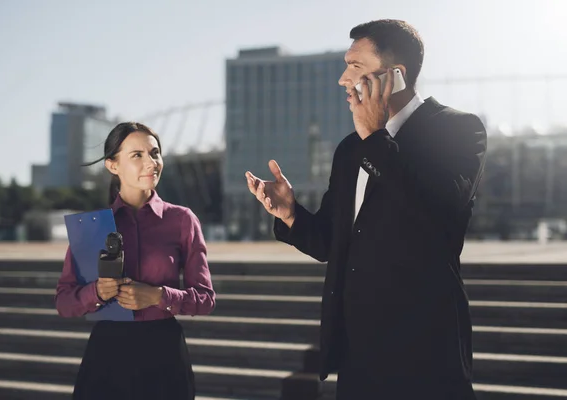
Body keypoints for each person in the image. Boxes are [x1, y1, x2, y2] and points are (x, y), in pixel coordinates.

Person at [245, 19, 487, 399]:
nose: (343, 78)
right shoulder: (349, 149)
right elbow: (330, 243)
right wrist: (290, 213)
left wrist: (376, 138)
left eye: (355, 66)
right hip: (358, 354)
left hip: (425, 347)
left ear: (396, 76)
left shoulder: (457, 129)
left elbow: (438, 218)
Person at [55, 122, 215, 400]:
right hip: (107, 357)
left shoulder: (182, 220)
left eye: (155, 153)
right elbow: (64, 301)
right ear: (112, 166)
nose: (151, 163)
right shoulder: (93, 226)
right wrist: (96, 292)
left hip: (165, 355)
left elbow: (205, 298)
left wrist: (158, 296)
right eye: (137, 155)